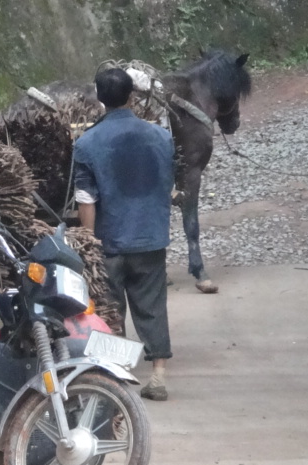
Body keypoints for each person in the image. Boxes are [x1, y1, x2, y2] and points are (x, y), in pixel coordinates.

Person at [74, 68, 175, 401]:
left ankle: (118, 374)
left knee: (110, 307)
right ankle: (158, 374)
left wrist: (88, 242)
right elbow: (167, 184)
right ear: (132, 96)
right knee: (152, 305)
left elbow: (87, 199)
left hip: (110, 240)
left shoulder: (87, 142)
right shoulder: (161, 137)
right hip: (150, 236)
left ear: (100, 99)